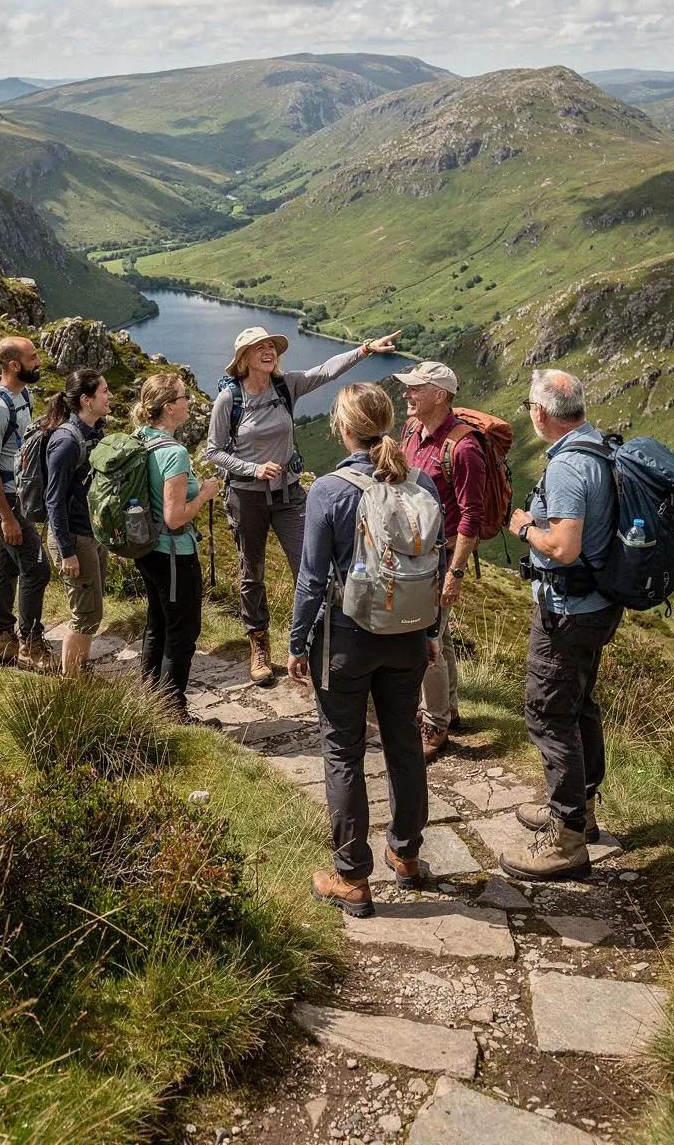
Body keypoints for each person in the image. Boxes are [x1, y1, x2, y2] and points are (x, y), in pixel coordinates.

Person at [287, 382, 444, 918]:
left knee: (342, 749)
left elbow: (311, 580)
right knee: (402, 739)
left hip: (346, 640)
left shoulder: (329, 490)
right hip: (406, 637)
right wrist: (429, 635)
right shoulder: (419, 482)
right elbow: (433, 567)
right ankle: (407, 854)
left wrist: (295, 643)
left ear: (344, 427)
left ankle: (352, 877)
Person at [207, 325, 401, 686]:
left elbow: (325, 371)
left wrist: (365, 349)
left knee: (313, 571)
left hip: (290, 494)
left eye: (271, 345)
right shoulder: (228, 400)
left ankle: (314, 647)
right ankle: (259, 643)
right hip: (247, 497)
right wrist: (252, 469)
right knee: (253, 572)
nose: (269, 351)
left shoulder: (286, 385)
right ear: (244, 358)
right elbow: (213, 451)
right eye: (259, 347)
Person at [502, 368, 623, 882]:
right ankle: (582, 808)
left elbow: (564, 546)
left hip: (569, 612)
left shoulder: (569, 467)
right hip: (597, 603)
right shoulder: (598, 446)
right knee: (579, 704)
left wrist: (525, 524)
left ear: (540, 413)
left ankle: (567, 837)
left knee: (548, 713)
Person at [396, 361, 486, 761]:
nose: (407, 394)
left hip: (441, 554)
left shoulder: (463, 447)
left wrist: (455, 572)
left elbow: (472, 516)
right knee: (440, 635)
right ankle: (449, 708)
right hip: (414, 550)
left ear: (440, 395)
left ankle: (435, 726)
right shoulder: (411, 431)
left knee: (423, 640)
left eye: (416, 388)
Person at [134, 372, 221, 722]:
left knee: (157, 622)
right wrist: (204, 494)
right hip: (174, 553)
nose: (189, 402)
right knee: (182, 631)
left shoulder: (141, 437)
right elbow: (174, 516)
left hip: (147, 549)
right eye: (184, 398)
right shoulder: (174, 453)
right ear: (169, 408)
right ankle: (173, 711)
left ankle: (150, 698)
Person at [0, 336, 55, 671]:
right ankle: (31, 644)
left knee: (6, 565)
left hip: (16, 494)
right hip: (1, 499)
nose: (39, 361)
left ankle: (3, 640)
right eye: (32, 357)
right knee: (37, 567)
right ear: (12, 365)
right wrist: (7, 517)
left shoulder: (23, 395)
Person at [43, 370, 111, 677]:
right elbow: (53, 500)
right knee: (85, 613)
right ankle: (71, 681)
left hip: (91, 534)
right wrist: (67, 551)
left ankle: (78, 672)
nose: (110, 396)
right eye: (104, 392)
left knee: (92, 608)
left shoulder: (94, 433)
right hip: (74, 538)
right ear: (86, 400)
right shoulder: (67, 441)